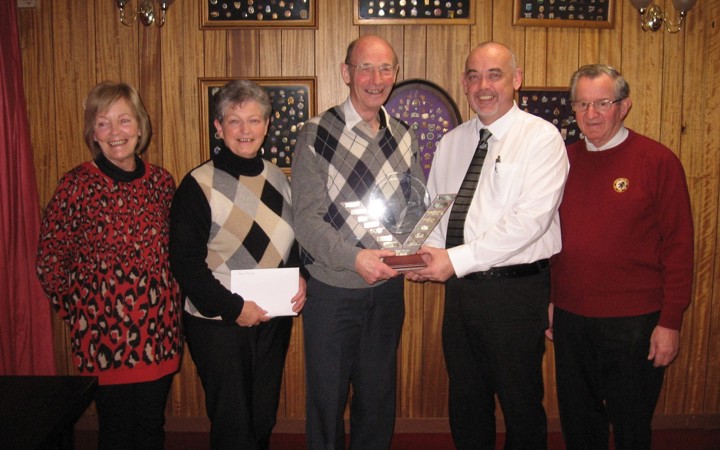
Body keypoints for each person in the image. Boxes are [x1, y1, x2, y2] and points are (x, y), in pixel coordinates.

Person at [405, 42, 569, 449]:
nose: (483, 86)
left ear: (516, 79)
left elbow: (530, 221)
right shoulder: (453, 142)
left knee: (520, 403)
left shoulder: (541, 138)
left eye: (494, 74)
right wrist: (419, 256)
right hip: (462, 293)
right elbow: (437, 212)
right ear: (463, 82)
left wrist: (453, 261)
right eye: (474, 75)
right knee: (466, 399)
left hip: (515, 293)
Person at [548, 64, 694, 450]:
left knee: (631, 426)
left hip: (635, 324)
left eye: (602, 103)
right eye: (581, 104)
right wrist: (550, 300)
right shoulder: (561, 162)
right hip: (571, 318)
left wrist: (670, 321)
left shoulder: (657, 161)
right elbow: (545, 236)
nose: (591, 114)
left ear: (624, 106)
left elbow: (679, 245)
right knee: (579, 425)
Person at [291, 34, 423, 450]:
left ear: (395, 74)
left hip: (387, 291)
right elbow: (306, 220)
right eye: (365, 67)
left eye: (385, 68)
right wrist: (355, 258)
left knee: (378, 401)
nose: (375, 78)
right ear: (346, 73)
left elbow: (415, 207)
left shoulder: (404, 135)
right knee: (327, 403)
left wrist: (411, 255)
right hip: (331, 293)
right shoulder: (316, 132)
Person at [36, 81, 182, 449]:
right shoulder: (76, 184)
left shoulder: (162, 183)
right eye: (104, 123)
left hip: (158, 333)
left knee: (151, 427)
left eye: (124, 121)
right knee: (116, 430)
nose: (116, 132)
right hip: (103, 338)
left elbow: (179, 252)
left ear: (140, 126)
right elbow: (50, 258)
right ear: (93, 133)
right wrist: (79, 311)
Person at [169, 79, 306, 450]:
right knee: (233, 423)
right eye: (234, 120)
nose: (245, 130)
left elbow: (291, 240)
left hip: (270, 318)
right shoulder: (198, 185)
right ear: (218, 126)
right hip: (219, 323)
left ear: (267, 124)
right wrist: (234, 309)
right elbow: (184, 264)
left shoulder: (277, 177)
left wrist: (300, 278)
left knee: (262, 416)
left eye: (254, 120)